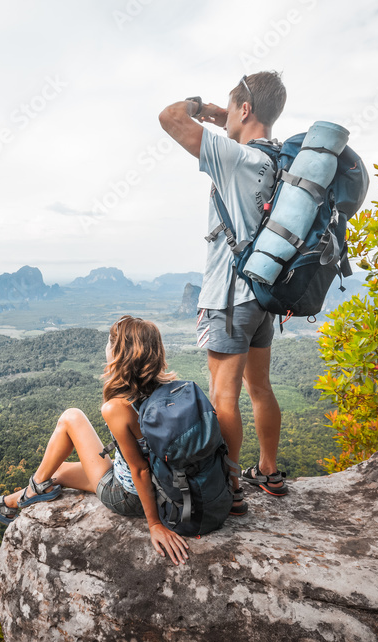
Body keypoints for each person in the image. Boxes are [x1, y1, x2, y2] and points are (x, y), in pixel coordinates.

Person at [158, 71, 288, 512]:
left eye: (233, 109)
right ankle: (268, 471)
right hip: (263, 295)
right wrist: (226, 114)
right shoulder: (279, 162)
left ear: (245, 110)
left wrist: (205, 110)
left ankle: (229, 490)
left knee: (224, 394)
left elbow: (170, 116)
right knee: (260, 388)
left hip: (230, 297)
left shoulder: (236, 158)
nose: (224, 116)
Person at [0, 316, 191, 566]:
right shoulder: (173, 389)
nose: (106, 348)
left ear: (119, 354)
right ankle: (11, 502)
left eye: (109, 344)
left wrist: (154, 524)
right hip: (167, 487)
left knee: (71, 417)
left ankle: (31, 489)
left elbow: (139, 469)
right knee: (58, 470)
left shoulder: (117, 407)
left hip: (129, 496)